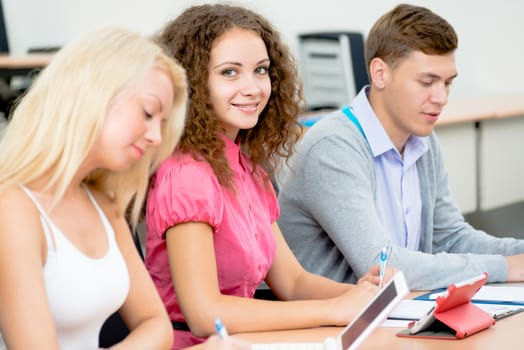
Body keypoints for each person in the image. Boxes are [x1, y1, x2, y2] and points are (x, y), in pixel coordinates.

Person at [144, 4, 389, 349]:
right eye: (230, 73)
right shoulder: (186, 175)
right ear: (193, 82)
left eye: (261, 71)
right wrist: (334, 309)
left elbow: (292, 281)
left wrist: (367, 296)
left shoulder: (248, 169)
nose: (253, 88)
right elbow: (203, 314)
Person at [0, 26, 243, 350]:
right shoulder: (13, 209)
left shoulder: (103, 204)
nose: (157, 137)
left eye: (162, 122)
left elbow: (156, 325)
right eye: (147, 113)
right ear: (93, 95)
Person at [277, 3, 524, 291]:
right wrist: (506, 267)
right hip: (337, 327)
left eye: (447, 83)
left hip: (393, 314)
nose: (441, 97)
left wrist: (518, 252)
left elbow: (451, 238)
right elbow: (384, 267)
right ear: (380, 73)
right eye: (427, 82)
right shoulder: (333, 148)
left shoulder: (423, 140)